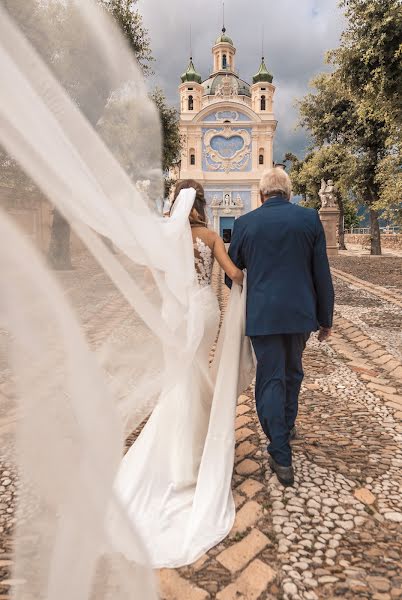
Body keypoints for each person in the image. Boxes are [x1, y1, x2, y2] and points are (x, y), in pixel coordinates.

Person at [226, 167, 334, 486]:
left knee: (271, 377)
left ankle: (281, 450)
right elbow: (321, 273)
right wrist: (325, 318)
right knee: (293, 372)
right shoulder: (309, 219)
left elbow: (230, 271)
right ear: (288, 193)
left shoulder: (245, 223)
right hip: (301, 314)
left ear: (261, 195)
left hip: (264, 316)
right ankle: (284, 430)